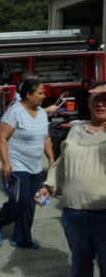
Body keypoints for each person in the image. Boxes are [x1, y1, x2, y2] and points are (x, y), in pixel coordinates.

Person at [37, 84, 106, 277]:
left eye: (105, 99)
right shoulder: (77, 129)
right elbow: (63, 161)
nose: (100, 103)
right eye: (96, 99)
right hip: (74, 213)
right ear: (88, 103)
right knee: (80, 265)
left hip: (104, 212)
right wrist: (49, 185)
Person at [0, 79, 54, 248]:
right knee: (20, 201)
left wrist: (51, 158)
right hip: (17, 165)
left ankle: (22, 238)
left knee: (31, 203)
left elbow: (46, 137)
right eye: (40, 93)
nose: (43, 96)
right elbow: (1, 137)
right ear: (28, 94)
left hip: (35, 166)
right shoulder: (15, 111)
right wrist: (5, 163)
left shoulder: (41, 112)